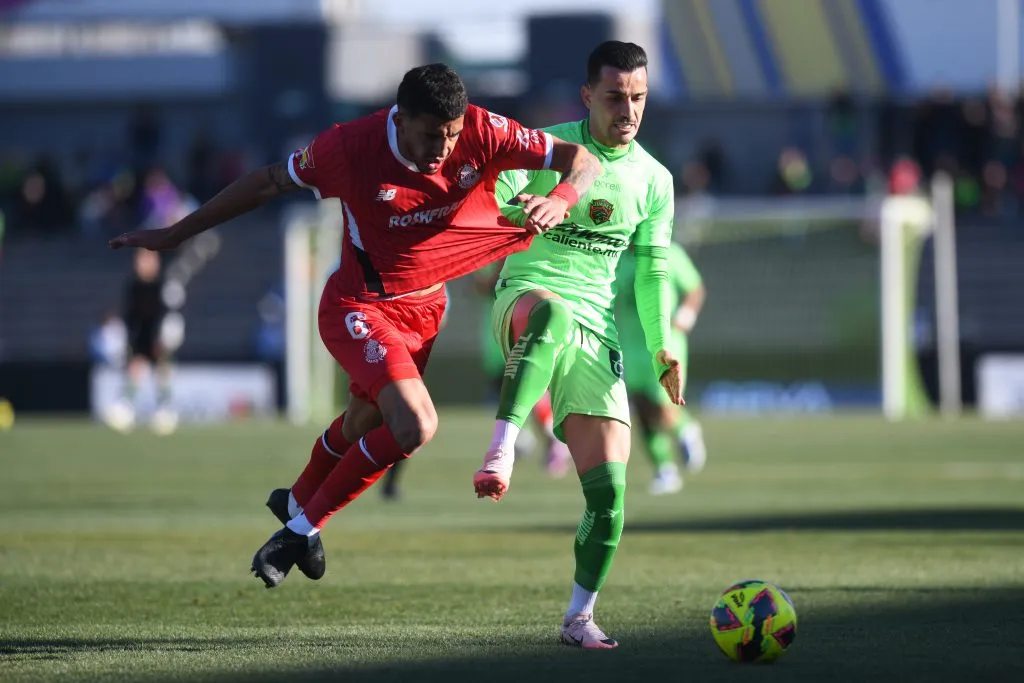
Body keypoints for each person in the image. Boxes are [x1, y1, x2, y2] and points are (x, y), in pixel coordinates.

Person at [109, 63, 601, 590]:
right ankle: (300, 529)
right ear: (401, 118)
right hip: (359, 305)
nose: (444, 149)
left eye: (452, 135)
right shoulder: (349, 148)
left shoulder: (482, 130)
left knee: (365, 420)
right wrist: (178, 233)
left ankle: (297, 500)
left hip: (426, 308)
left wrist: (561, 198)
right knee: (415, 425)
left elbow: (583, 160)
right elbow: (270, 181)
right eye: (432, 135)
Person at [472, 41, 684, 649]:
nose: (628, 110)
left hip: (598, 330)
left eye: (638, 97)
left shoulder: (655, 180)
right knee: (554, 317)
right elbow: (492, 195)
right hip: (527, 298)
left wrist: (664, 345)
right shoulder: (544, 145)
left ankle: (578, 617)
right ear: (588, 95)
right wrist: (522, 208)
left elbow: (652, 273)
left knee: (611, 496)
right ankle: (503, 445)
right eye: (615, 97)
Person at [615, 242, 707, 495]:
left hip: (665, 344)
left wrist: (685, 316)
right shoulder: (618, 257)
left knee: (663, 408)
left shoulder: (669, 253)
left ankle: (685, 427)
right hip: (631, 345)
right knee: (642, 411)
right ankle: (665, 470)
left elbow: (694, 288)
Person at [471, 262, 571, 477]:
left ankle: (553, 441)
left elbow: (492, 285)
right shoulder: (485, 254)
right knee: (505, 388)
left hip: (518, 327)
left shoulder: (513, 252)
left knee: (528, 388)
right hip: (494, 332)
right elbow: (481, 287)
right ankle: (527, 438)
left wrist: (489, 281)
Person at [101, 249, 178, 435]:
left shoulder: (163, 286)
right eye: (140, 259)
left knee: (162, 366)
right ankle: (126, 406)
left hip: (158, 333)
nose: (142, 264)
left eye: (148, 259)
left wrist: (165, 334)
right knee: (137, 365)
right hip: (139, 334)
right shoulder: (133, 286)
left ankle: (165, 408)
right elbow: (130, 315)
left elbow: (168, 313)